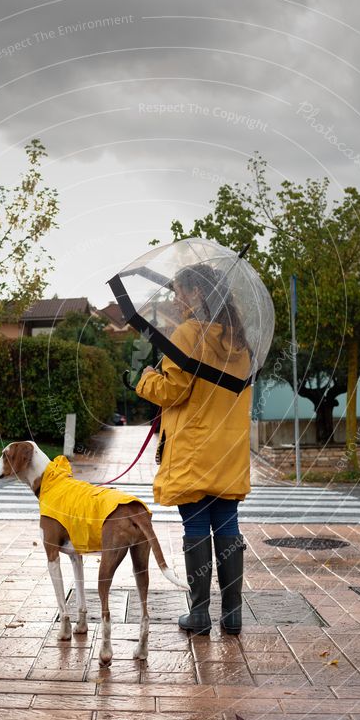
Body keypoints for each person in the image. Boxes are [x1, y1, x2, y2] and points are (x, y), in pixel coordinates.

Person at [135, 263, 251, 635]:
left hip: (194, 446)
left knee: (197, 524)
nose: (175, 297)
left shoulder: (188, 334)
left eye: (181, 291)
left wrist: (148, 378)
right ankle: (232, 615)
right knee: (228, 524)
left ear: (197, 294)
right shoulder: (239, 340)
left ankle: (199, 613)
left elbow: (173, 392)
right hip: (229, 447)